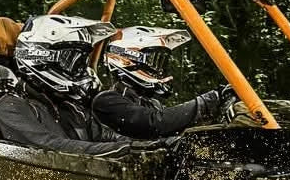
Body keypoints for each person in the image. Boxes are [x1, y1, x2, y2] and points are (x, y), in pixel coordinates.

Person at [0, 14, 138, 156]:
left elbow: (108, 136)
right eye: (70, 59)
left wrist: (145, 145)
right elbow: (53, 148)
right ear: (39, 57)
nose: (80, 69)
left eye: (81, 60)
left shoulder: (69, 107)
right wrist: (124, 149)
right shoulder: (10, 107)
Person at [93, 25, 236, 138]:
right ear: (127, 60)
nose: (160, 69)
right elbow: (154, 124)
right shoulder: (106, 100)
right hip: (119, 169)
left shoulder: (151, 103)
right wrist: (210, 100)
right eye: (154, 61)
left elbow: (176, 129)